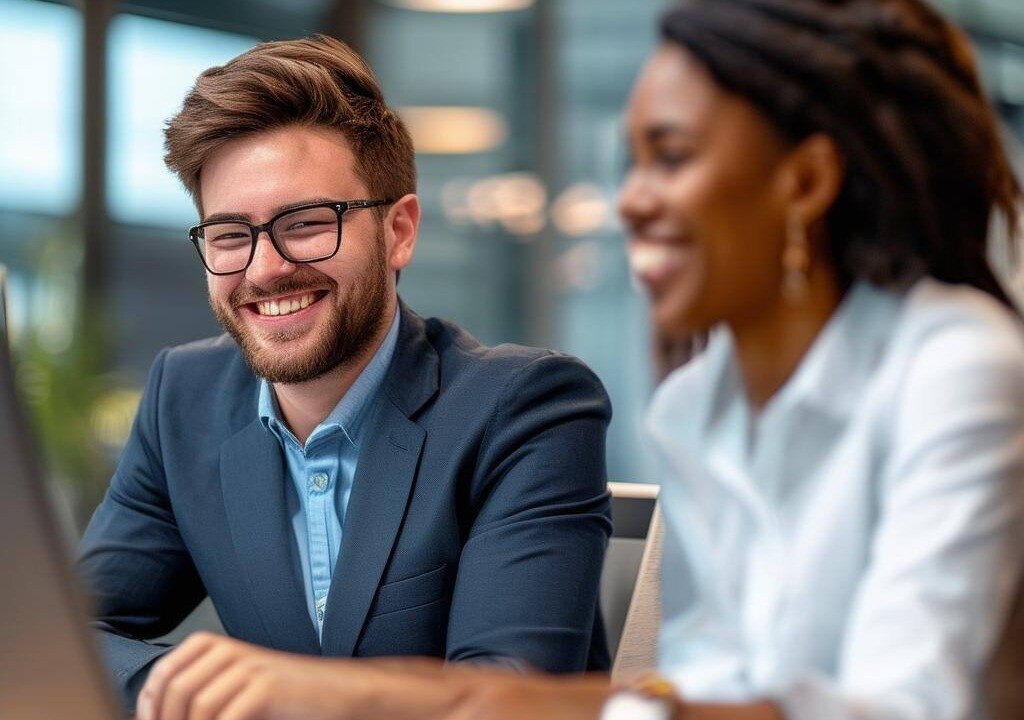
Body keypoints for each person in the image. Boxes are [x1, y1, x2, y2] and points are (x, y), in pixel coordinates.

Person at [127, 1, 1024, 719]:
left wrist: (339, 697)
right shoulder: (704, 404)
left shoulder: (958, 369)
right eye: (231, 234)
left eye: (668, 157)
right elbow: (712, 684)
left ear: (804, 182)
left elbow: (903, 706)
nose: (628, 202)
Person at [76, 35, 614, 718]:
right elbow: (72, 636)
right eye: (230, 235)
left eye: (305, 223)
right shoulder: (183, 398)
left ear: (399, 232)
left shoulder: (528, 408)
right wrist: (202, 695)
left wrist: (290, 695)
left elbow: (512, 696)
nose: (265, 269)